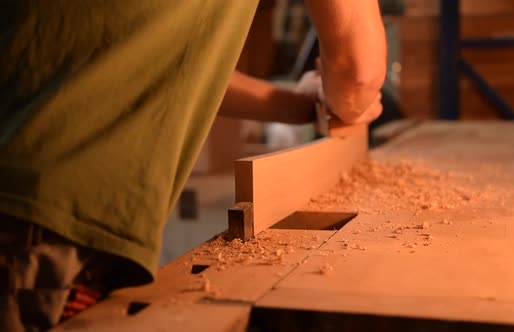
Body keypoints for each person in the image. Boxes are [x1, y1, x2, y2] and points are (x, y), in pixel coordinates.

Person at [0, 0, 386, 330]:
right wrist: (345, 103)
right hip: (42, 221)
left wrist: (304, 104)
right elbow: (358, 73)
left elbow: (143, 63)